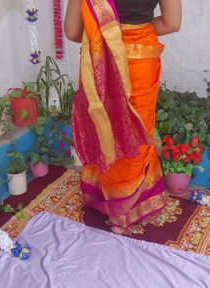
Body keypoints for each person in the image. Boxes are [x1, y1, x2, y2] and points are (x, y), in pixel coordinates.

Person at [64, 0, 182, 233]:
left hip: (100, 59)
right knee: (134, 134)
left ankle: (103, 197)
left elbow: (73, 32)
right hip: (140, 60)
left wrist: (109, 35)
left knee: (104, 129)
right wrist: (135, 33)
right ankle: (125, 210)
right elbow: (172, 23)